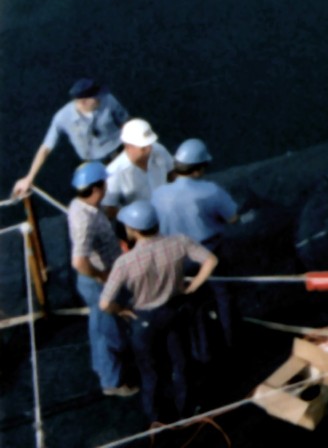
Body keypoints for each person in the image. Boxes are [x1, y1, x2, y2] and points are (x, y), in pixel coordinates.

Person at [98, 199, 216, 425]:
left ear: (133, 230)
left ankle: (156, 419)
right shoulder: (179, 242)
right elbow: (211, 260)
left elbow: (104, 304)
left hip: (144, 320)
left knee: (150, 372)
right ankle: (187, 411)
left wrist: (121, 310)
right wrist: (192, 286)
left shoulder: (125, 262)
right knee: (180, 363)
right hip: (173, 311)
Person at [153, 139, 239, 353]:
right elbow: (233, 218)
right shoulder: (211, 191)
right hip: (208, 251)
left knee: (188, 302)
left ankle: (196, 349)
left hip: (176, 255)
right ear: (199, 168)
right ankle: (231, 342)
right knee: (223, 295)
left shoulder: (158, 194)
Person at [67, 162, 136, 399]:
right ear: (97, 188)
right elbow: (79, 261)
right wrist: (103, 276)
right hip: (98, 283)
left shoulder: (80, 206)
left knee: (98, 327)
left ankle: (102, 367)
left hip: (96, 280)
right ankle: (112, 382)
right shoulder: (85, 221)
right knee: (109, 330)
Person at [12, 79, 129, 199]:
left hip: (117, 154)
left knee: (128, 189)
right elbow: (46, 148)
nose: (100, 98)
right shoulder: (62, 117)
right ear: (84, 102)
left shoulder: (108, 99)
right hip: (93, 164)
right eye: (96, 97)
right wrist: (29, 177)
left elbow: (126, 124)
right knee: (104, 197)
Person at [103, 119, 173, 223]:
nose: (149, 150)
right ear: (128, 147)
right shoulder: (113, 173)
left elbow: (172, 173)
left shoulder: (159, 150)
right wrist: (133, 218)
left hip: (168, 213)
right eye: (143, 148)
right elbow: (109, 208)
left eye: (150, 144)